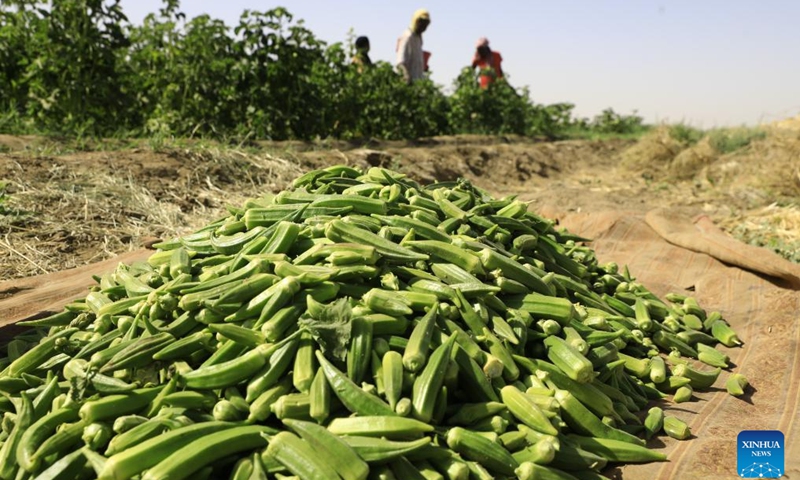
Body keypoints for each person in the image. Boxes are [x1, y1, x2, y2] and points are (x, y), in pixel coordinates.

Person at [396, 9, 431, 83]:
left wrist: (422, 66)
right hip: (409, 83)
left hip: (417, 82)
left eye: (426, 25)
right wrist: (406, 75)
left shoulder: (419, 38)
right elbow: (400, 62)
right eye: (422, 24)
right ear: (416, 22)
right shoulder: (407, 37)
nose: (424, 27)